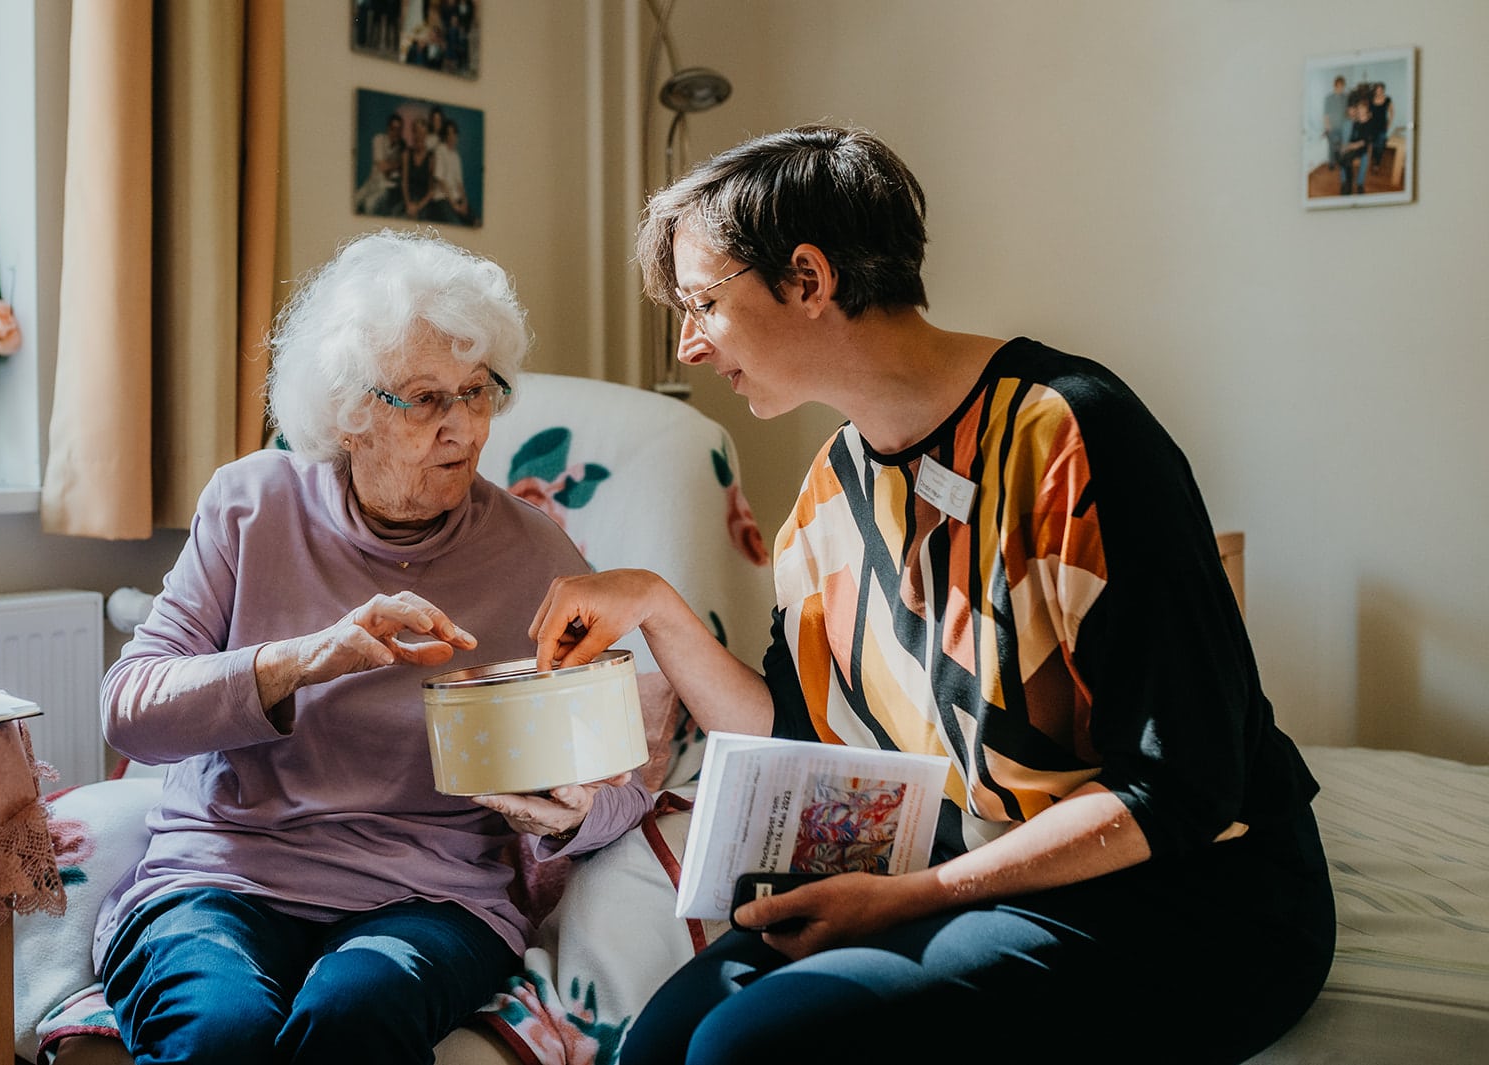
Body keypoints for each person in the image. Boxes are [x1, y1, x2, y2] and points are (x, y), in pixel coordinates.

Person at [529, 125, 1335, 1064]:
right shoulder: (833, 489)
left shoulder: (1074, 435)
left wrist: (914, 898)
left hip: (1185, 894)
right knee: (658, 1044)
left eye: (704, 302)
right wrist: (656, 607)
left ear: (806, 279)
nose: (691, 345)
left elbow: (1182, 786)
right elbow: (796, 738)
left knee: (747, 1049)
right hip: (956, 870)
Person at [92, 230, 651, 1065]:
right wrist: (311, 657)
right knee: (220, 1033)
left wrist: (574, 813)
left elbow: (620, 774)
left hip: (431, 894)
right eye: (425, 399)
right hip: (223, 878)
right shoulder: (250, 505)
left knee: (354, 1017)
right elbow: (129, 712)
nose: (462, 426)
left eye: (478, 391)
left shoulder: (539, 556)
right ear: (350, 414)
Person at [354, 112, 406, 216]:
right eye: (393, 128)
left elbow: (399, 171)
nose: (396, 132)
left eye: (399, 129)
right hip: (371, 182)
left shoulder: (402, 147)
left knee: (369, 205)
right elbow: (382, 166)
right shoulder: (379, 139)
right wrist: (397, 164)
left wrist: (392, 166)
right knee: (353, 201)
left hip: (386, 187)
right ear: (388, 128)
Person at [1321, 74, 1348, 174]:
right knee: (1332, 146)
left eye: (1342, 86)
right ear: (1335, 85)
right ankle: (1331, 163)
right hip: (1332, 126)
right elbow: (1325, 114)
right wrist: (1327, 126)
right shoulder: (1328, 98)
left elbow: (1347, 112)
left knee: (1341, 145)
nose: (1341, 88)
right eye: (1339, 86)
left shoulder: (1345, 97)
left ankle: (1340, 162)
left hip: (1343, 126)